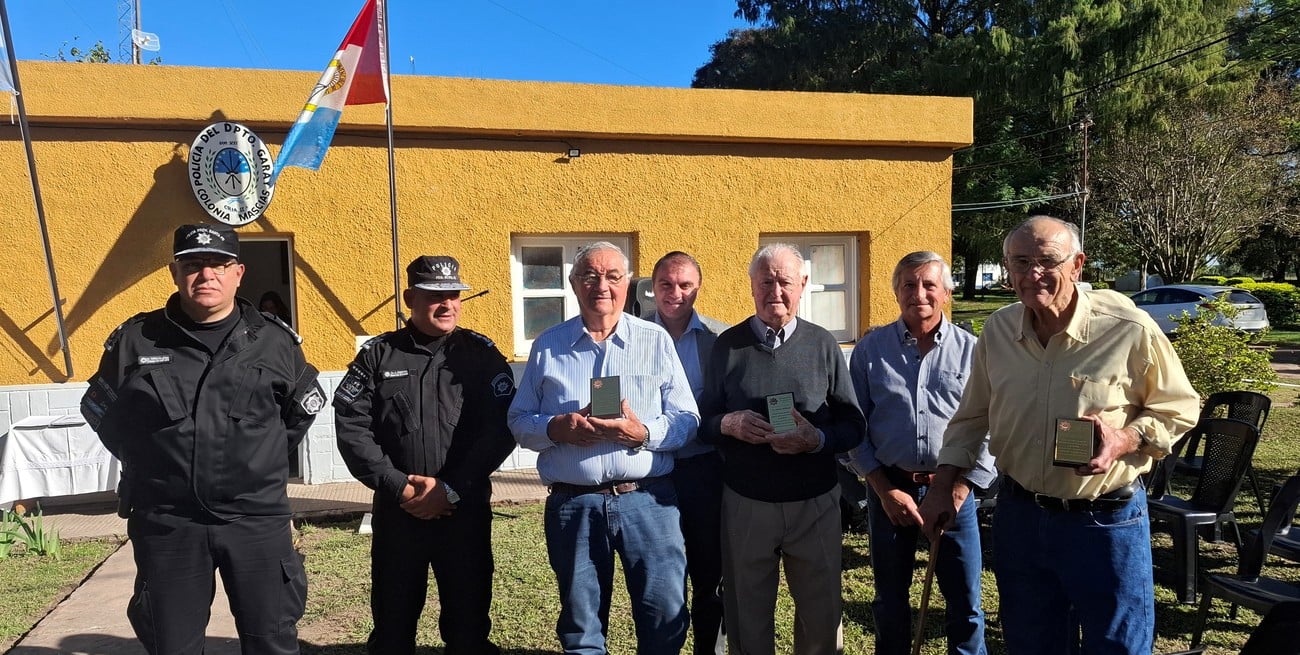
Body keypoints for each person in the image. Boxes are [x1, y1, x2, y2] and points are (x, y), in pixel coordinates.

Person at [919, 216, 1200, 655]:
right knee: (1032, 644)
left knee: (1117, 647)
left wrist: (1124, 440)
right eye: (1020, 261)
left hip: (1104, 521)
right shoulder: (998, 331)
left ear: (1077, 265)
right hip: (1021, 517)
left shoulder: (1128, 328)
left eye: (1047, 261)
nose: (1032, 274)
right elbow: (971, 418)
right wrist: (942, 486)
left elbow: (1179, 407)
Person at [80, 223, 324, 655]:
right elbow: (105, 415)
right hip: (169, 522)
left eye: (218, 264)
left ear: (238, 273)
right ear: (175, 272)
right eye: (193, 264)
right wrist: (157, 465)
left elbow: (296, 415)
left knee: (272, 641)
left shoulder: (275, 342)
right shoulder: (136, 341)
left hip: (255, 520)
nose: (206, 274)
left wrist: (252, 463)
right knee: (173, 644)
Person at [507, 241, 698, 655]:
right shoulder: (547, 346)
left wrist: (643, 433)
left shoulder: (655, 340)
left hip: (648, 502)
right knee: (581, 625)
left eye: (613, 276)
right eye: (590, 276)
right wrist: (558, 427)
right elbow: (519, 421)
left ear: (628, 284)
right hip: (575, 505)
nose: (602, 286)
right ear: (574, 284)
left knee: (664, 615)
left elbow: (687, 419)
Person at [334, 255, 517, 655]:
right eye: (434, 295)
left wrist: (452, 488)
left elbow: (500, 428)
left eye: (453, 295)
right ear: (409, 298)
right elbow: (352, 427)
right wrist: (398, 487)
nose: (446, 304)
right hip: (400, 513)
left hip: (463, 511)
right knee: (393, 626)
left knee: (468, 624)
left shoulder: (480, 355)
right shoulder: (378, 355)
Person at [698, 243, 865, 655]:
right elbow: (702, 422)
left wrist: (818, 440)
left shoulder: (824, 344)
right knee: (747, 616)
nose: (776, 290)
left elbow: (853, 425)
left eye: (785, 281)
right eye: (766, 281)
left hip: (815, 502)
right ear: (752, 287)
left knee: (822, 617)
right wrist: (728, 423)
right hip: (747, 502)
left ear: (803, 285)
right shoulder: (728, 346)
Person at [848, 251, 995, 655]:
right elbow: (853, 426)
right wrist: (881, 488)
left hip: (953, 491)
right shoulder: (870, 350)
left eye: (929, 284)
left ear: (946, 292)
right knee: (889, 599)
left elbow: (990, 426)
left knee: (965, 603)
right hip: (892, 491)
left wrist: (960, 489)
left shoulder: (973, 351)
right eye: (909, 285)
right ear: (896, 291)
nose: (919, 294)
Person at [643, 251, 729, 655]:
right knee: (662, 579)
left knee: (709, 574)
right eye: (665, 284)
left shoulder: (720, 340)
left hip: (706, 472)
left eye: (684, 285)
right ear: (652, 288)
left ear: (698, 287)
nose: (674, 293)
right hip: (653, 474)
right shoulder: (634, 336)